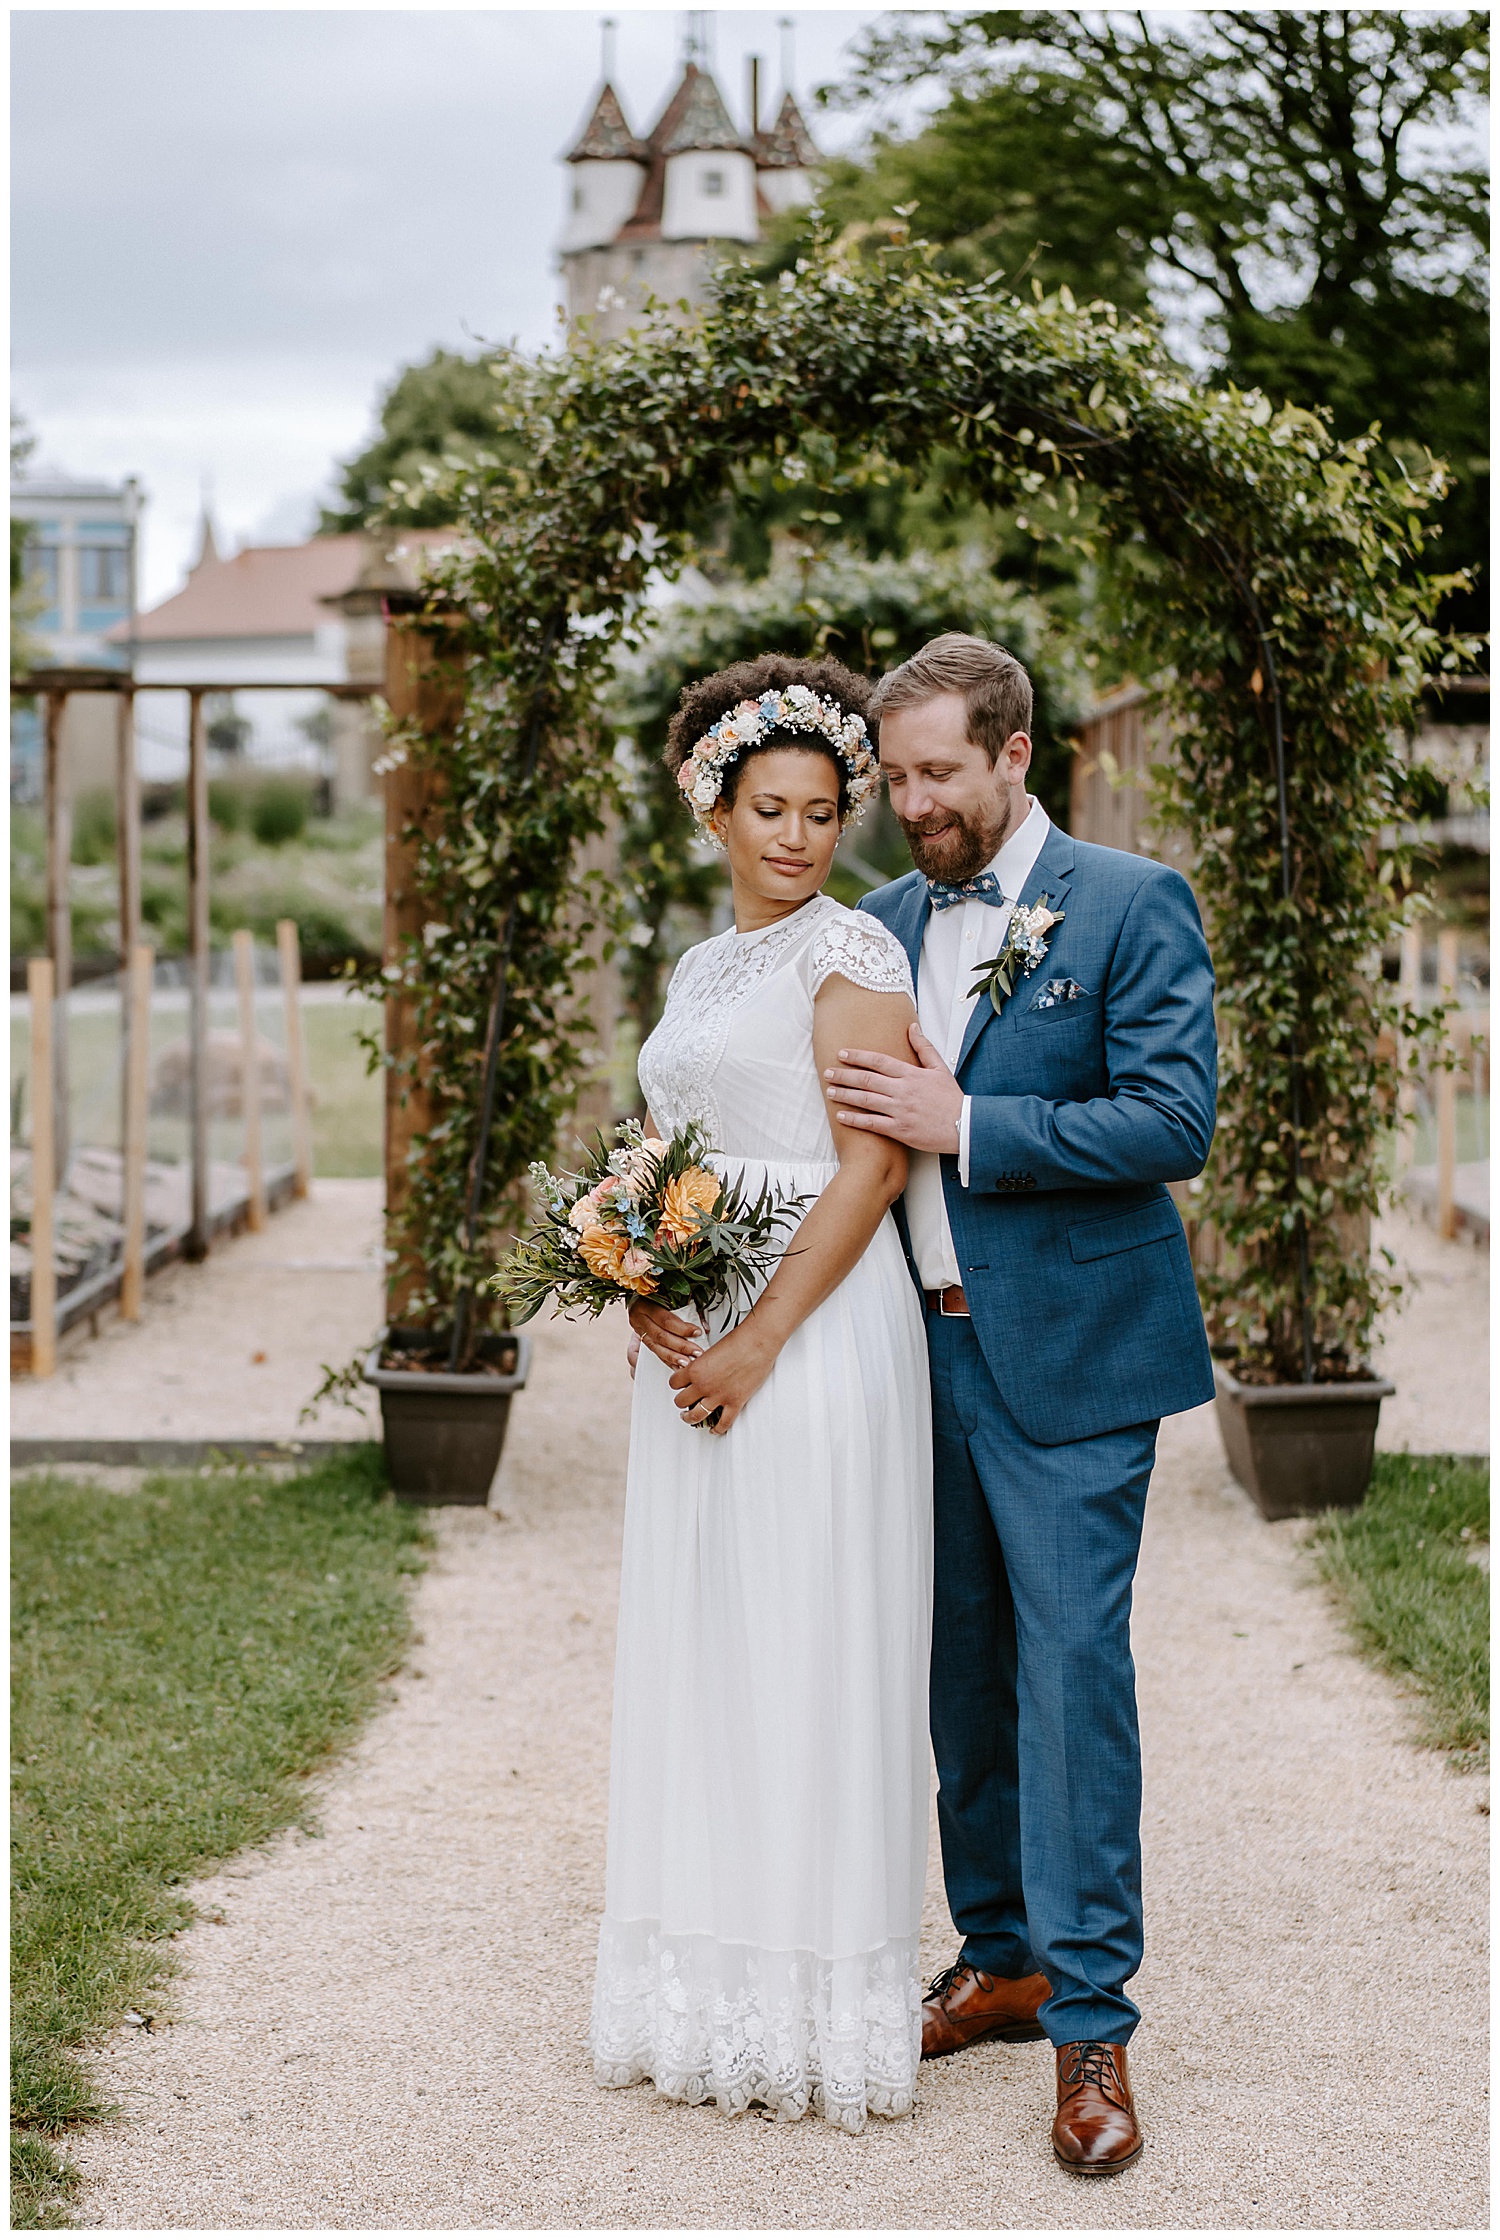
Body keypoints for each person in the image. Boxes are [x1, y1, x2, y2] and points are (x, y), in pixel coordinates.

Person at [823, 633, 1218, 2174]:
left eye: (933, 773)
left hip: (1072, 1355)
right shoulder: (876, 924)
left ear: (1010, 756)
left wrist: (965, 1119)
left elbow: (1172, 1116)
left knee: (1070, 1681)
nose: (907, 802)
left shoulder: (1129, 903)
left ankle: (1095, 2027)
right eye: (894, 776)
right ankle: (1001, 1955)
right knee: (958, 1671)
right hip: (909, 1352)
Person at [596, 654, 934, 2134]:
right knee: (709, 1637)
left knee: (807, 1633)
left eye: (820, 809)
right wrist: (645, 1277)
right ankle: (710, 1989)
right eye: (770, 809)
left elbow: (871, 1167)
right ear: (714, 812)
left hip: (814, 1326)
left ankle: (816, 2008)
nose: (799, 836)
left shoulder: (851, 955)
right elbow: (672, 1144)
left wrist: (758, 1341)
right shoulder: (697, 966)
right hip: (701, 1323)